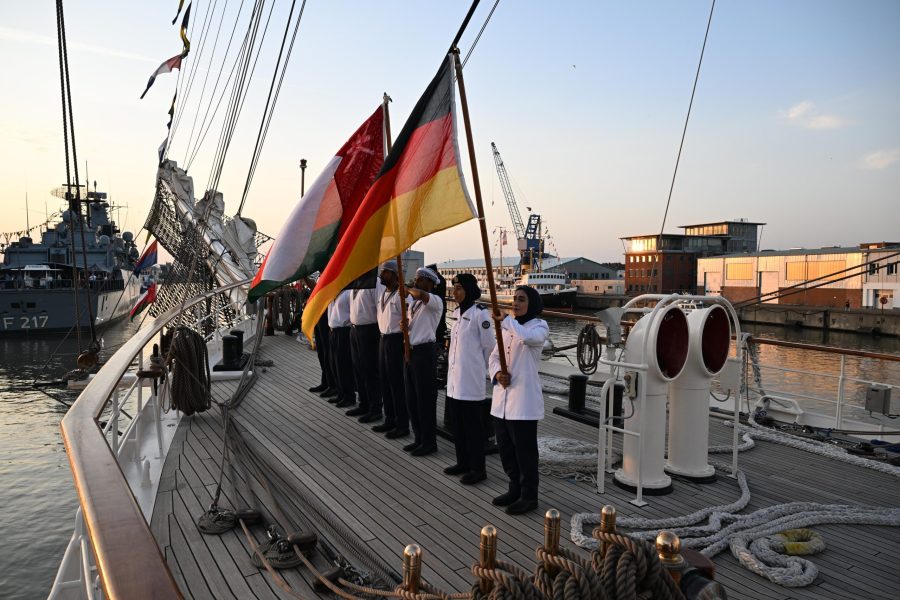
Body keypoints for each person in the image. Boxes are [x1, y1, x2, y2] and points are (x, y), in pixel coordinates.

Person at [488, 286, 549, 515]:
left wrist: (505, 320)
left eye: (521, 299)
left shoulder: (539, 327)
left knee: (525, 453)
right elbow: (494, 356)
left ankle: (529, 495)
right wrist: (496, 374)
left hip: (523, 404)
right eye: (514, 299)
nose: (515, 303)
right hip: (502, 401)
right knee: (506, 450)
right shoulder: (506, 329)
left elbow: (528, 338)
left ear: (531, 304)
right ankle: (514, 488)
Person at [444, 273, 494, 485]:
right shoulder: (457, 313)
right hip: (455, 381)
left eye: (459, 288)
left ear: (469, 290)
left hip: (470, 380)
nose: (454, 292)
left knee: (473, 429)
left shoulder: (480, 314)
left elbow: (489, 347)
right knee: (458, 426)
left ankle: (478, 468)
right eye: (454, 288)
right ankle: (462, 462)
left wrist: (479, 369)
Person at [403, 267, 444, 457]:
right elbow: (414, 325)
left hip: (425, 352)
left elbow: (420, 294)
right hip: (411, 351)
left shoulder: (435, 301)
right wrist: (406, 326)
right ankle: (419, 438)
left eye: (419, 279)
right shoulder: (414, 304)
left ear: (429, 283)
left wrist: (407, 288)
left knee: (425, 399)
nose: (416, 282)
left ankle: (429, 442)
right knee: (412, 398)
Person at [374, 261, 410, 438]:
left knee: (397, 384)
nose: (381, 275)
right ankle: (389, 418)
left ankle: (402, 424)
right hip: (383, 339)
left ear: (395, 274)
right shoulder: (384, 293)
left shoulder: (402, 296)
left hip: (396, 340)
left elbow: (409, 319)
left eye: (385, 272)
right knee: (384, 381)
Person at [348, 282, 383, 422]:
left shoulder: (375, 282)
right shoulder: (356, 283)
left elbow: (381, 308)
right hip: (355, 330)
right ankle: (363, 403)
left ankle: (375, 408)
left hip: (369, 330)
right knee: (358, 369)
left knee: (370, 370)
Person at [327, 290, 356, 407]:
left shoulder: (348, 293)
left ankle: (349, 396)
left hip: (344, 331)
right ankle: (340, 393)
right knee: (334, 364)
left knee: (343, 366)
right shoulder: (333, 292)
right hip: (333, 331)